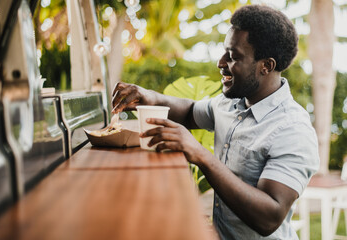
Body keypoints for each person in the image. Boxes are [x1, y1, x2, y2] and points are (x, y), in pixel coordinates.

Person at [112, 4, 319, 240]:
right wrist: (149, 96)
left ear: (266, 66)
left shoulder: (293, 129)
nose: (221, 63)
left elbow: (269, 217)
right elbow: (191, 111)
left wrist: (199, 154)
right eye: (224, 52)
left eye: (233, 57)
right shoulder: (233, 102)